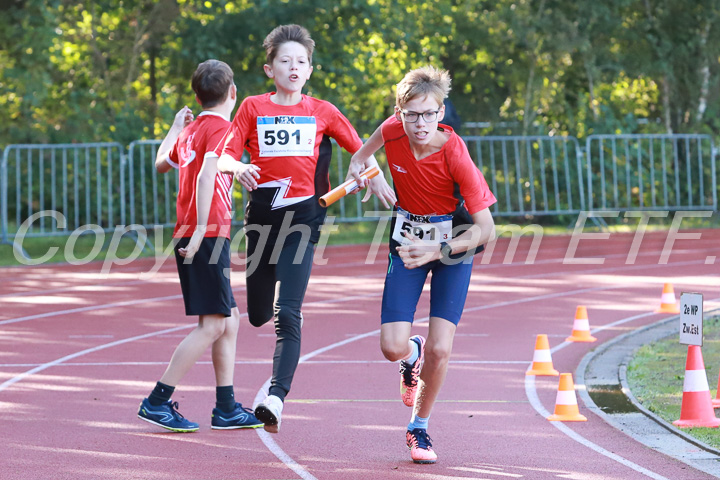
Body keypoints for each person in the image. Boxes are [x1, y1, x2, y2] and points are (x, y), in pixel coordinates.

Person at [215, 24, 395, 434]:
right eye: (285, 61)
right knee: (258, 314)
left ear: (310, 70)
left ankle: (276, 397)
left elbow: (362, 149)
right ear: (269, 68)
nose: (293, 67)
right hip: (261, 223)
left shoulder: (323, 111)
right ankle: (270, 291)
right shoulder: (252, 109)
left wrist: (376, 173)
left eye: (301, 62)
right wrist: (240, 165)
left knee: (286, 313)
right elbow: (222, 158)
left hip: (303, 222)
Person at [348, 66, 497, 463]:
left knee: (442, 350)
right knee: (391, 346)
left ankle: (419, 429)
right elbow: (361, 155)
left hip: (452, 247)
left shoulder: (454, 153)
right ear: (399, 113)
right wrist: (368, 171)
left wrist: (434, 251)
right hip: (406, 239)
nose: (420, 123)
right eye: (412, 114)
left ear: (441, 112)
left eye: (429, 114)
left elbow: (487, 229)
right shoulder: (391, 131)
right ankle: (410, 357)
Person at [137, 59, 262, 432]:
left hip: (199, 231)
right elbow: (208, 175)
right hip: (204, 232)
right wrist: (200, 232)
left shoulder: (190, 131)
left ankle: (226, 407)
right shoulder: (223, 129)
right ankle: (157, 400)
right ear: (233, 93)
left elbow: (161, 162)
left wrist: (175, 127)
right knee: (212, 326)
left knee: (230, 320)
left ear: (196, 95)